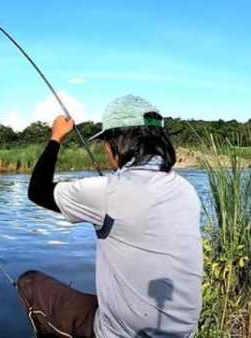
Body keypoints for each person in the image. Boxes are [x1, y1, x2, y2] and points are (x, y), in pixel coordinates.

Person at [20, 95, 203, 338]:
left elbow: (37, 191)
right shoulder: (186, 190)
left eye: (105, 142)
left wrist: (56, 138)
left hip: (118, 334)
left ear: (118, 142)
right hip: (183, 333)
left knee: (29, 283)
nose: (105, 151)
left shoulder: (107, 191)